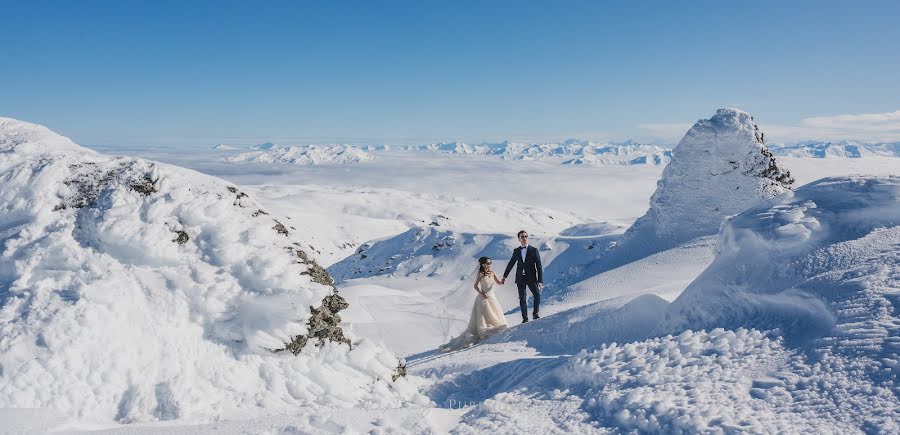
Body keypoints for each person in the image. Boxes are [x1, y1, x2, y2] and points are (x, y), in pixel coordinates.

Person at [439, 257, 509, 352]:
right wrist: (481, 293)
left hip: (492, 297)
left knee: (494, 314)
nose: (490, 264)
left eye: (490, 263)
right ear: (483, 264)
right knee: (484, 316)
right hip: (483, 297)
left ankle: (493, 326)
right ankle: (484, 330)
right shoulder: (480, 274)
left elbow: (498, 283)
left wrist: (503, 281)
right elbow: (475, 286)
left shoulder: (493, 273)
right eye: (488, 263)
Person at [502, 230, 542, 323]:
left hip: (531, 277)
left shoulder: (534, 250)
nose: (524, 238)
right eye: (522, 237)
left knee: (537, 295)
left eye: (526, 236)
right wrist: (505, 276)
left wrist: (540, 280)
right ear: (519, 239)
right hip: (520, 278)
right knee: (522, 298)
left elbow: (539, 266)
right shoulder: (516, 251)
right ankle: (525, 318)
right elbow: (511, 263)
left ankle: (535, 314)